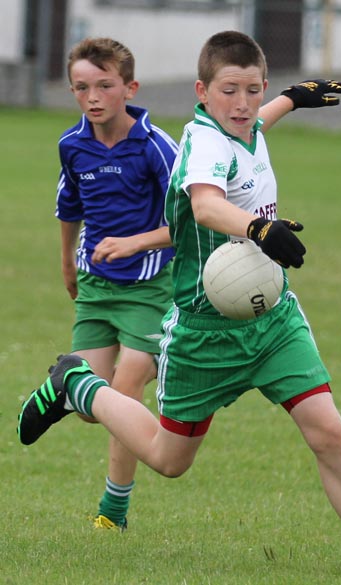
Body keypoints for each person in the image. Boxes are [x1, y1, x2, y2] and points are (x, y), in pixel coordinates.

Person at [18, 31, 341, 577]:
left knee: (327, 430)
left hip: (273, 318)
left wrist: (290, 98)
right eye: (229, 90)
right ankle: (79, 385)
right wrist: (260, 228)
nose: (243, 103)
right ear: (201, 92)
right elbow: (207, 206)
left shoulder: (244, 122)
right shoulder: (202, 144)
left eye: (253, 90)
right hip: (204, 332)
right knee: (168, 459)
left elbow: (254, 126)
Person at [55, 37, 177, 531]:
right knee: (91, 408)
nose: (93, 97)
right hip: (96, 289)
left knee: (124, 392)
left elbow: (189, 221)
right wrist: (66, 262)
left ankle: (113, 511)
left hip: (150, 288)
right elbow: (69, 208)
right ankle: (67, 380)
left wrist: (136, 243)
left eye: (105, 86)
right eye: (82, 88)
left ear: (130, 87)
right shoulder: (72, 145)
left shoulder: (156, 146)